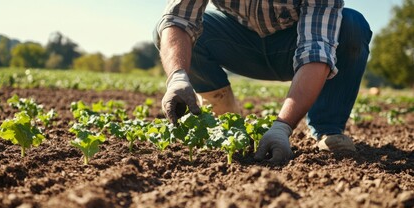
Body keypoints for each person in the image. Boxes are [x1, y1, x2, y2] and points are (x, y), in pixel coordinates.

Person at [153, 0, 372, 163]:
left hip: (291, 47)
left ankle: (328, 128)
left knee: (352, 25)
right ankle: (225, 120)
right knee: (167, 31)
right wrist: (177, 76)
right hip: (237, 43)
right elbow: (178, 19)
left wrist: (282, 126)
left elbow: (317, 50)